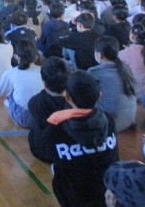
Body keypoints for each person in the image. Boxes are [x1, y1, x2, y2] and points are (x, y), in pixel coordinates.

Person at [41, 70, 119, 207]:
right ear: (99, 95)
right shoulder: (109, 120)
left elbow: (47, 154)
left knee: (57, 168)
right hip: (106, 195)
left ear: (67, 97)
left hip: (73, 198)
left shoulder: (55, 127)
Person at [27, 57, 71, 163]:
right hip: (69, 151)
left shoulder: (34, 102)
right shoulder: (75, 100)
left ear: (45, 84)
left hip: (42, 151)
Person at [89, 36, 137, 131]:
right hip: (128, 119)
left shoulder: (93, 72)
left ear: (99, 55)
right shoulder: (126, 68)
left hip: (109, 124)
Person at [0, 39, 43, 129]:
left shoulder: (11, 72)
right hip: (44, 117)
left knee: (10, 92)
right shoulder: (42, 70)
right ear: (36, 57)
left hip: (24, 118)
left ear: (16, 56)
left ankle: (10, 103)